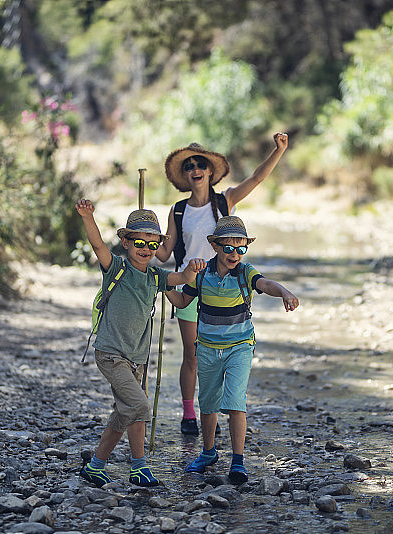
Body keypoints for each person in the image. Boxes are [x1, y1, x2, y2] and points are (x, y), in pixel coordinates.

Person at [156, 132, 289, 436]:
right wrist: (137, 248)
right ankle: (190, 414)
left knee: (224, 350)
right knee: (192, 354)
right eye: (188, 166)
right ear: (185, 176)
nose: (194, 168)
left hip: (226, 287)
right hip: (191, 285)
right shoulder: (178, 210)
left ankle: (217, 412)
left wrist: (277, 151)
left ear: (210, 171)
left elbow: (256, 178)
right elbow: (164, 252)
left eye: (199, 163)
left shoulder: (224, 201)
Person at [75, 199, 206, 487]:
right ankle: (139, 465)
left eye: (151, 244)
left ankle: (97, 466)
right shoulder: (117, 268)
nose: (145, 249)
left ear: (159, 247)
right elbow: (98, 247)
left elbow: (182, 277)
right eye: (138, 242)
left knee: (124, 412)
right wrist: (88, 217)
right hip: (111, 353)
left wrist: (193, 270)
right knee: (139, 406)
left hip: (138, 358)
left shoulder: (157, 277)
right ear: (125, 241)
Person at [166, 215, 299, 484]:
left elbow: (266, 284)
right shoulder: (201, 275)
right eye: (228, 248)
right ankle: (208, 452)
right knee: (209, 402)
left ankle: (238, 460)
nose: (235, 254)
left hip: (240, 347)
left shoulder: (246, 273)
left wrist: (284, 291)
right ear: (215, 246)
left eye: (241, 248)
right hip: (206, 348)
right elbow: (182, 301)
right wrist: (163, 284)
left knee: (236, 402)